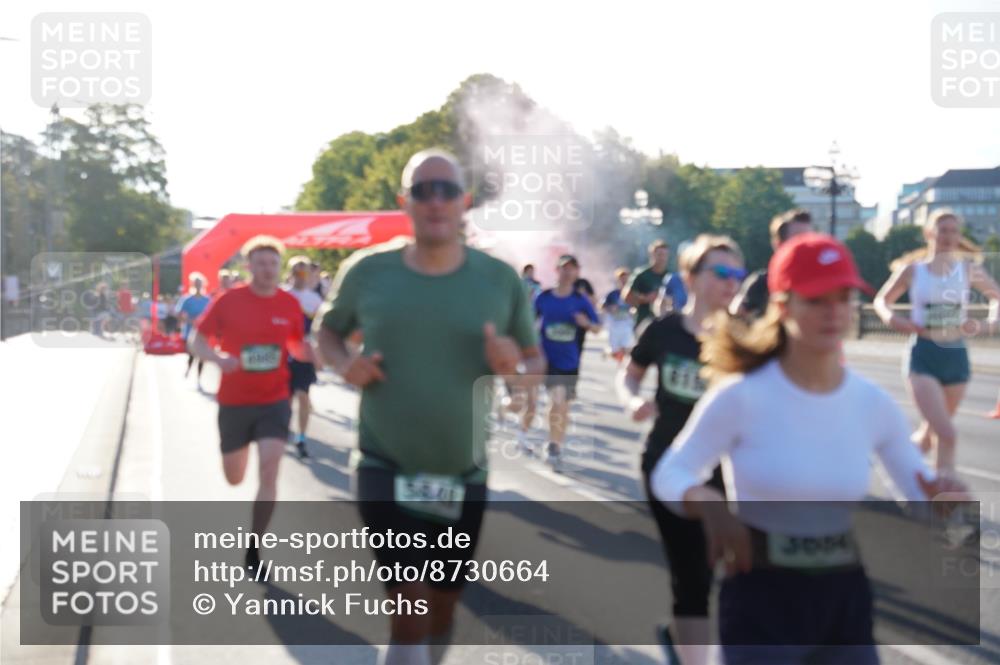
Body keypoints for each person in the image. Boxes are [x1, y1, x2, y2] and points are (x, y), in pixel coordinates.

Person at [651, 233, 966, 665]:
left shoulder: (871, 403)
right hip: (760, 597)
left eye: (843, 297)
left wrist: (945, 501)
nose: (834, 312)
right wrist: (706, 502)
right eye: (816, 299)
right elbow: (669, 472)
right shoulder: (742, 396)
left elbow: (919, 497)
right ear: (783, 306)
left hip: (843, 598)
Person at [315, 149, 544, 665]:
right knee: (409, 608)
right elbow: (326, 332)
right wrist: (343, 361)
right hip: (383, 462)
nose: (435, 200)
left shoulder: (498, 280)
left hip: (462, 472)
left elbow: (534, 366)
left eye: (446, 190)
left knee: (442, 607)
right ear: (405, 202)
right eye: (423, 190)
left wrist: (514, 368)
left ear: (464, 202)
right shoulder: (368, 271)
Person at [616, 235, 745, 665]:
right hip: (668, 467)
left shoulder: (745, 338)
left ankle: (681, 638)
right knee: (692, 573)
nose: (731, 282)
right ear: (690, 278)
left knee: (729, 575)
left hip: (727, 472)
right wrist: (634, 401)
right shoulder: (664, 330)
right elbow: (629, 375)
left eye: (736, 274)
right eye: (720, 272)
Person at [189, 235, 313, 574]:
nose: (267, 269)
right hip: (235, 401)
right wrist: (217, 358)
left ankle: (254, 546)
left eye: (273, 263)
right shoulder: (229, 301)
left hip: (274, 399)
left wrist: (315, 354)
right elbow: (196, 340)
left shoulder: (289, 304)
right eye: (260, 263)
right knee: (234, 476)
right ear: (248, 266)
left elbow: (296, 345)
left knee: (270, 467)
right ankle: (235, 462)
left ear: (279, 267)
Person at [874, 209, 999, 472]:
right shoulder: (913, 271)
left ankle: (897, 470)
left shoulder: (968, 270)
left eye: (954, 231)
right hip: (923, 355)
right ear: (929, 233)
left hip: (956, 356)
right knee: (947, 433)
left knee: (930, 434)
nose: (949, 236)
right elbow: (881, 301)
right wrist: (895, 321)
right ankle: (943, 506)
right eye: (943, 230)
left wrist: (986, 325)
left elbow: (996, 298)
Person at [534, 254, 601, 471]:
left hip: (570, 361)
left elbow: (598, 327)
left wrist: (586, 323)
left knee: (562, 406)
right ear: (557, 270)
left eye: (572, 268)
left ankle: (555, 444)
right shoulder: (544, 297)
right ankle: (553, 447)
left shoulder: (580, 300)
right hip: (547, 359)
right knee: (558, 400)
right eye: (564, 268)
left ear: (577, 272)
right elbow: (526, 322)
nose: (568, 272)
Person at [731, 209, 814, 320]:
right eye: (798, 239)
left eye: (810, 239)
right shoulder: (759, 284)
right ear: (779, 244)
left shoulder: (824, 286)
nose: (807, 246)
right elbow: (734, 320)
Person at [285, 256, 325, 458]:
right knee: (286, 398)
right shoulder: (282, 296)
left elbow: (320, 332)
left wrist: (319, 356)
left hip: (304, 355)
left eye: (305, 272)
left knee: (303, 396)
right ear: (290, 273)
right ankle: (283, 430)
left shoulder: (315, 300)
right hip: (283, 354)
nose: (301, 276)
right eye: (297, 272)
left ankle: (301, 438)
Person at [623, 240, 671, 331]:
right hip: (644, 324)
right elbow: (626, 297)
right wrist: (644, 298)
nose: (662, 258)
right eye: (660, 254)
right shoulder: (641, 275)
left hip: (665, 326)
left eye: (665, 255)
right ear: (652, 255)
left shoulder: (670, 276)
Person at [175, 272, 212, 390]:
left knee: (201, 356)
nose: (198, 286)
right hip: (189, 331)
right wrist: (188, 320)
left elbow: (212, 315)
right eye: (196, 283)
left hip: (203, 333)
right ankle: (188, 369)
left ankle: (199, 379)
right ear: (193, 285)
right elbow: (179, 313)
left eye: (200, 283)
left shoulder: (208, 299)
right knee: (191, 354)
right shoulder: (187, 299)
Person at [603, 268, 636, 363]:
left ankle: (622, 367)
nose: (624, 281)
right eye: (622, 278)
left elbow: (636, 306)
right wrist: (610, 308)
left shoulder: (632, 294)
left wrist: (633, 311)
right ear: (618, 280)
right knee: (615, 352)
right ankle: (608, 352)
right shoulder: (612, 294)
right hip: (614, 326)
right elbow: (602, 306)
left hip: (627, 326)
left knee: (626, 350)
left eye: (626, 278)